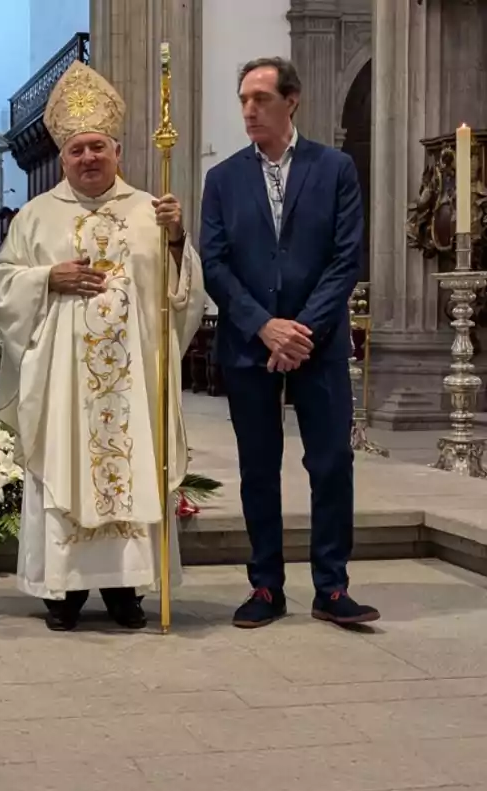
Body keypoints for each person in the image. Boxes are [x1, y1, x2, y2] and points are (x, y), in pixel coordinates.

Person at [0, 61, 207, 632]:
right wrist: (47, 279)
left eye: (98, 148)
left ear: (117, 150)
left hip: (130, 383)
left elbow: (180, 295)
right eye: (78, 149)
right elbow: (3, 281)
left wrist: (178, 240)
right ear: (62, 158)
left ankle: (126, 589)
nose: (89, 157)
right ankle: (63, 592)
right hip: (63, 384)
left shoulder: (150, 211)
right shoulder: (36, 216)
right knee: (66, 467)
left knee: (129, 469)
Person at [200, 56, 379, 629]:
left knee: (330, 462)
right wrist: (263, 325)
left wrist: (301, 329)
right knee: (258, 467)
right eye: (244, 100)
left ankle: (331, 587)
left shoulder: (334, 168)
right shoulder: (223, 178)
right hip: (251, 345)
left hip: (316, 344)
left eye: (261, 99)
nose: (250, 110)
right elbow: (217, 264)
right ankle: (265, 586)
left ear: (291, 100)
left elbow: (346, 257)